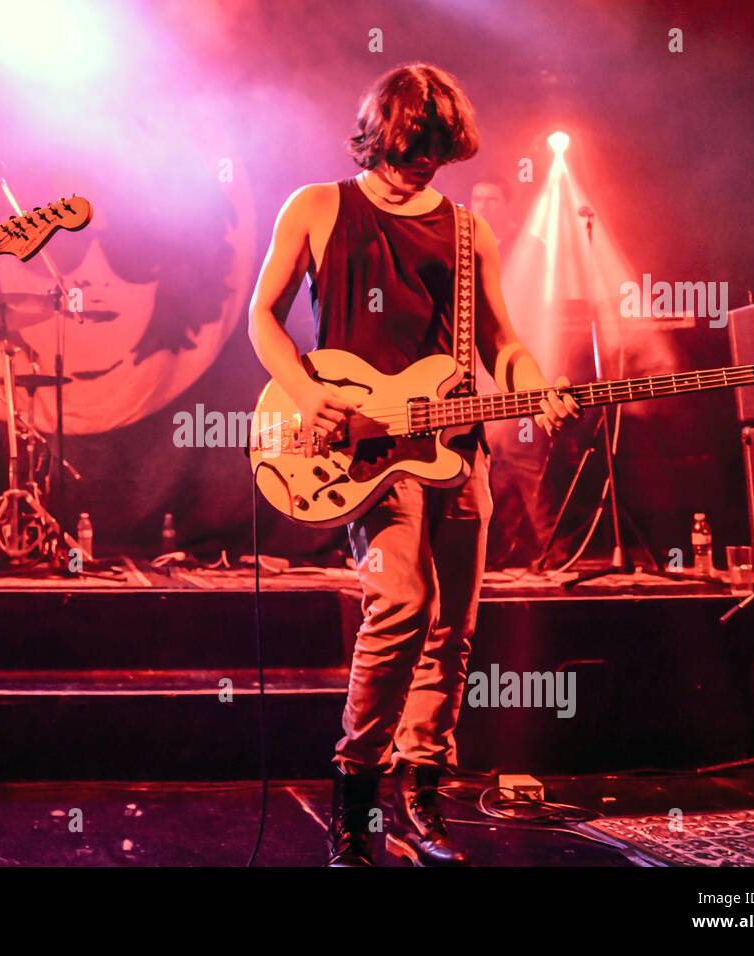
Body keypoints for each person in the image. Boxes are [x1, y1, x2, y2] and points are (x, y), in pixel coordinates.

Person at [247, 63, 578, 866]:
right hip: (363, 445)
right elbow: (262, 315)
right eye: (407, 152)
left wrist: (532, 389)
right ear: (380, 136)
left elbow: (502, 342)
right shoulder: (319, 206)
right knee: (402, 604)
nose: (418, 169)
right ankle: (356, 792)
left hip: (455, 446)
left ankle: (422, 788)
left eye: (434, 155)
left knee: (454, 629)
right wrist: (305, 393)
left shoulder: (471, 231)